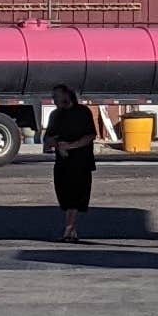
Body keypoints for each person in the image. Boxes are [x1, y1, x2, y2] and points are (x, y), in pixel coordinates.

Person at [44, 89, 100, 244]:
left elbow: (90, 136)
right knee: (64, 196)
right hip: (62, 162)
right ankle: (72, 230)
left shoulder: (83, 112)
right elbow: (47, 138)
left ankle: (68, 228)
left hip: (81, 161)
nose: (54, 99)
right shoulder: (55, 115)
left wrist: (70, 146)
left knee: (76, 196)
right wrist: (57, 145)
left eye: (56, 96)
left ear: (66, 96)